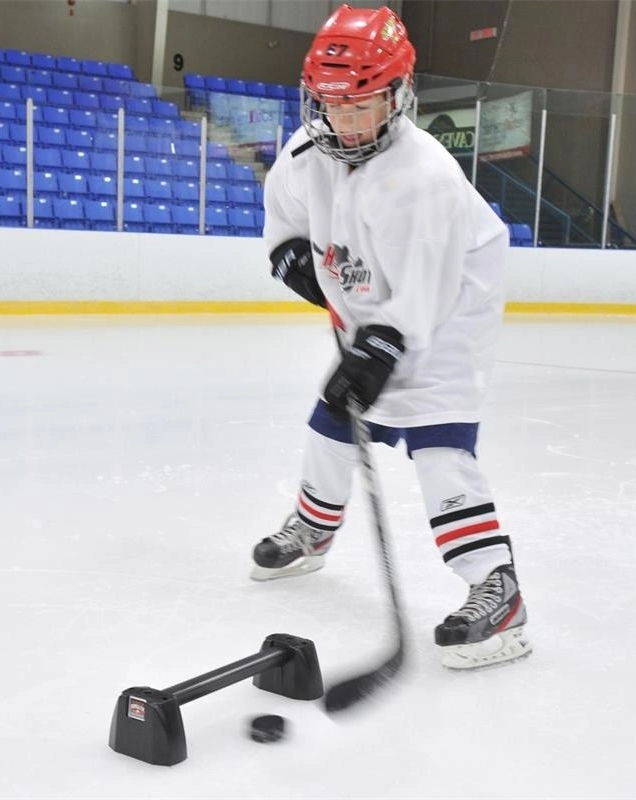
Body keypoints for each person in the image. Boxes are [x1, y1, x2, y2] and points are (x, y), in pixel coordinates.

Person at [251, 4, 531, 670]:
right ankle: (315, 531)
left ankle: (498, 588)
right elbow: (284, 215)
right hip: (374, 293)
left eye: (363, 106)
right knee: (333, 416)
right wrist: (291, 255)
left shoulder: (425, 178)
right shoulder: (302, 157)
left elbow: (426, 295)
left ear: (397, 98)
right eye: (332, 106)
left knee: (437, 440)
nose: (345, 123)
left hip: (449, 307)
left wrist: (380, 347)